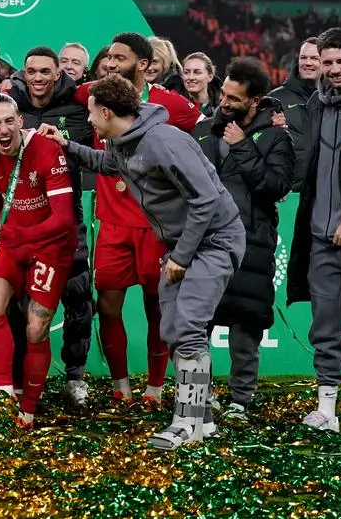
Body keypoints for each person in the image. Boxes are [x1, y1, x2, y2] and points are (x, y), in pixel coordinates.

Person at [49, 75, 244, 449]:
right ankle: (201, 420)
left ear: (106, 112)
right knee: (173, 327)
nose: (88, 121)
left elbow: (205, 200)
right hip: (183, 243)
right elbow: (109, 164)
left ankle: (186, 423)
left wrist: (181, 257)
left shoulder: (164, 141)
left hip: (215, 241)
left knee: (186, 326)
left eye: (91, 114)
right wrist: (65, 145)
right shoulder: (125, 142)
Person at [76, 32, 201, 406]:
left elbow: (206, 122)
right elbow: (57, 92)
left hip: (153, 225)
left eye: (120, 57)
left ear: (144, 65)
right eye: (109, 57)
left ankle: (155, 389)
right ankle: (121, 387)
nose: (110, 63)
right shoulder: (92, 94)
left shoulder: (170, 105)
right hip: (112, 223)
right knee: (108, 305)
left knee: (156, 307)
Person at [194, 57, 293, 421]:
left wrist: (242, 147)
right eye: (223, 94)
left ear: (255, 101)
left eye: (234, 99)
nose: (225, 103)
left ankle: (240, 400)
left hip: (253, 244)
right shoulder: (204, 130)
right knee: (197, 325)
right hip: (206, 243)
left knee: (245, 328)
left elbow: (276, 186)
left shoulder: (276, 137)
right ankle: (199, 396)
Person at [285, 27, 341, 433]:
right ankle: (327, 410)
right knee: (325, 329)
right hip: (322, 238)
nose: (334, 69)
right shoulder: (316, 103)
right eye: (328, 62)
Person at [0, 94, 77, 427]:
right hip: (13, 241)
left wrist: (22, 237)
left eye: (9, 121)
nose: (3, 129)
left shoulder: (47, 151)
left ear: (21, 122)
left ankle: (29, 410)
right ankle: (6, 392)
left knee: (36, 328)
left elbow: (63, 220)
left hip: (51, 246)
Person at [7, 47, 95, 410]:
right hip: (22, 222)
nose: (38, 77)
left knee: (78, 299)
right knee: (21, 306)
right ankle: (22, 381)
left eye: (46, 71)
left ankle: (74, 377)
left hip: (66, 221)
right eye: (32, 71)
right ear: (23, 74)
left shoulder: (78, 109)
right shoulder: (9, 107)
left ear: (59, 73)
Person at [269, 36, 320, 168]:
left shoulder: (335, 98)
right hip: (290, 183)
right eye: (303, 58)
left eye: (314, 58)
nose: (307, 62)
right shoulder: (276, 98)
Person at [179, 52, 222, 118]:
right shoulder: (174, 102)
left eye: (197, 72)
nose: (191, 77)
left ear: (210, 76)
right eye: (186, 72)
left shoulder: (223, 105)